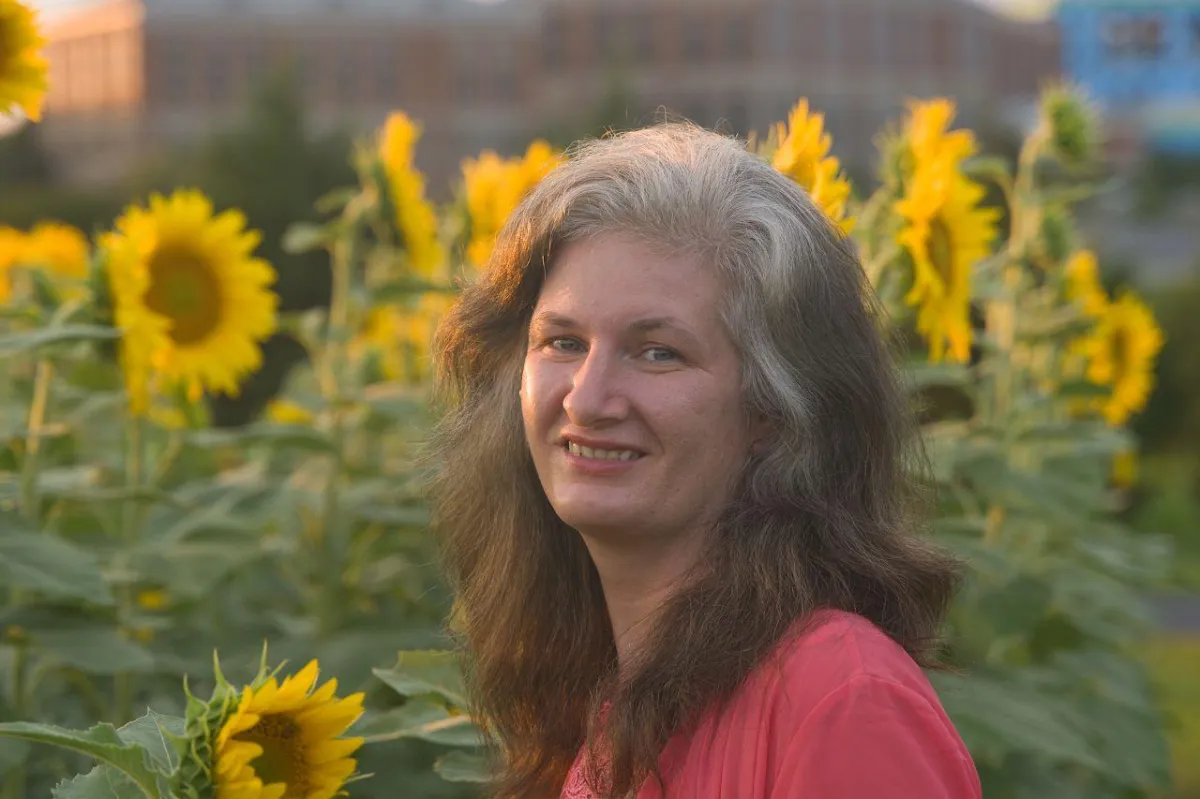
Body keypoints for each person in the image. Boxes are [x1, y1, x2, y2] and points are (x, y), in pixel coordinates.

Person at [427, 122, 982, 799]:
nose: (589, 398)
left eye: (658, 351)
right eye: (562, 342)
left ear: (772, 410)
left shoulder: (840, 698)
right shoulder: (596, 702)